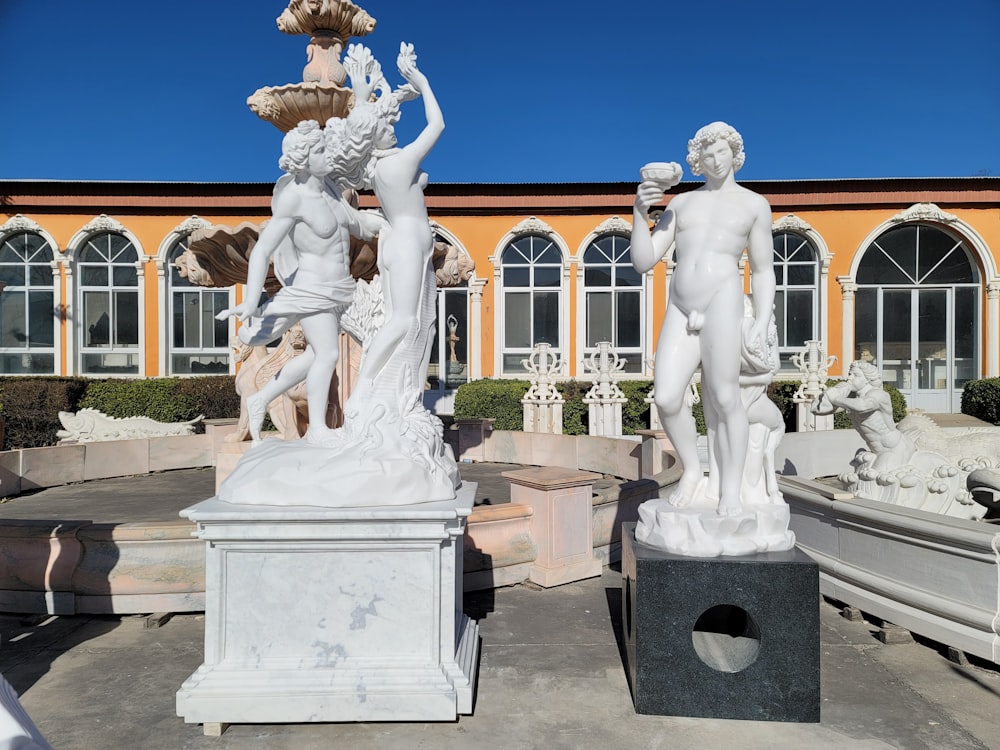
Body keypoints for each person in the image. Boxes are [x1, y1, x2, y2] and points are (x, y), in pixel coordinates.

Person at [631, 122, 775, 516]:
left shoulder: (753, 204)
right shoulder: (681, 204)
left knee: (726, 398)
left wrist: (761, 320)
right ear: (697, 159)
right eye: (707, 153)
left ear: (735, 154)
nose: (714, 159)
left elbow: (762, 270)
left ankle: (730, 489)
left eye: (722, 151)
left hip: (722, 302)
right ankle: (693, 470)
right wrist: (639, 211)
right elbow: (644, 260)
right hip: (680, 305)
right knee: (666, 397)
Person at [216, 119, 384, 444]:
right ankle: (318, 430)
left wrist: (398, 223)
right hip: (310, 288)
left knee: (314, 354)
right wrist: (252, 300)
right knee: (328, 355)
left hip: (339, 287)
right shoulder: (294, 198)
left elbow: (360, 225)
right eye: (320, 150)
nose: (327, 155)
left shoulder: (332, 193)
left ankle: (261, 398)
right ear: (304, 158)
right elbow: (263, 247)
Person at [348, 42, 444, 397]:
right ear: (376, 137)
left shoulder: (379, 168)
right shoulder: (399, 164)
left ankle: (406, 398)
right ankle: (363, 388)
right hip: (406, 244)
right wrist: (422, 81)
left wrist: (366, 96)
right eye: (385, 126)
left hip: (400, 243)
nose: (391, 126)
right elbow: (438, 124)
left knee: (423, 324)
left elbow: (363, 125)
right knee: (406, 321)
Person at [814, 360, 913, 470]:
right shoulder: (851, 398)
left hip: (894, 449)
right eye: (849, 374)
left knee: (876, 480)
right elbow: (818, 410)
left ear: (868, 379)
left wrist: (835, 398)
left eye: (855, 375)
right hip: (877, 451)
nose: (849, 378)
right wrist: (836, 390)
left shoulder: (879, 394)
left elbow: (862, 406)